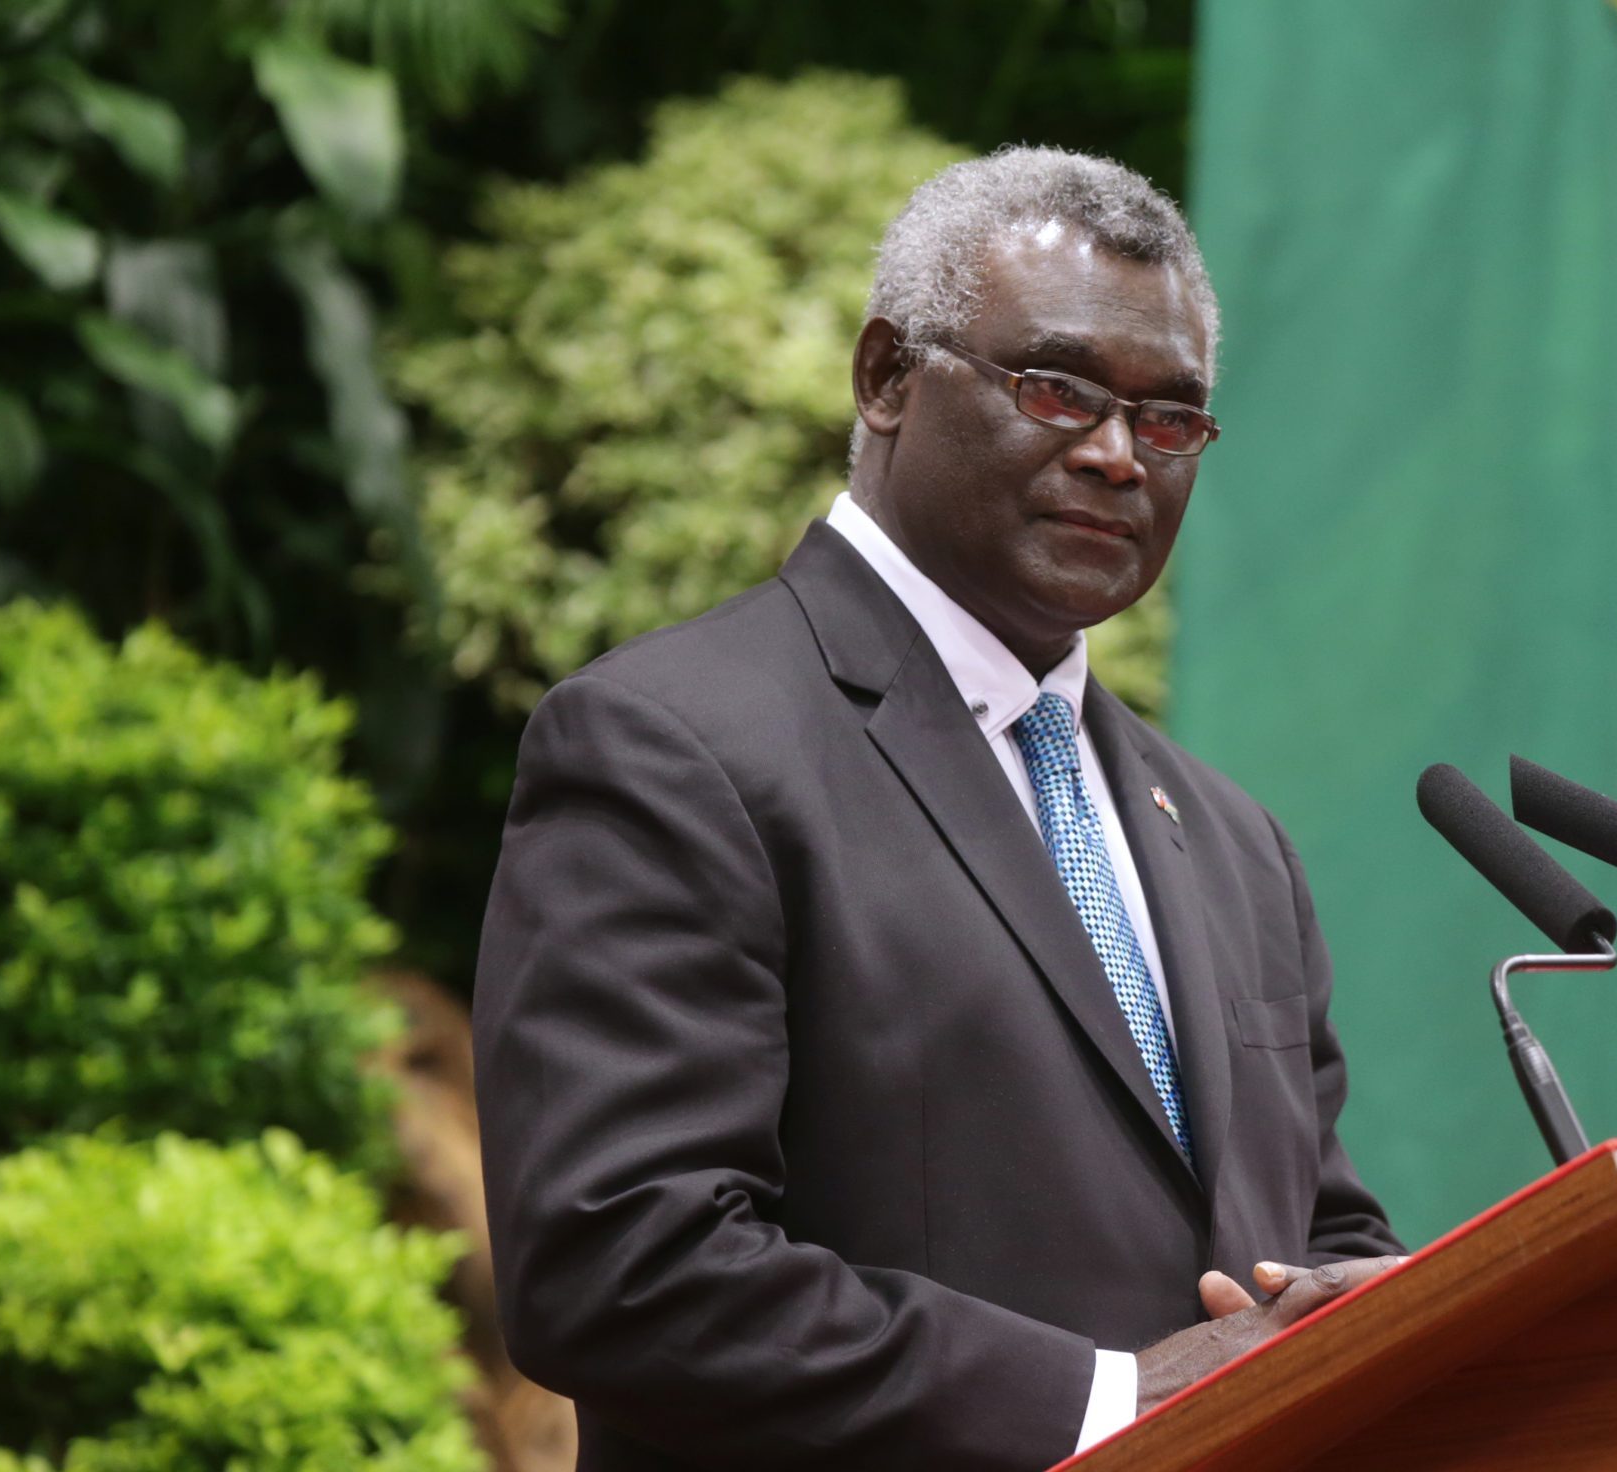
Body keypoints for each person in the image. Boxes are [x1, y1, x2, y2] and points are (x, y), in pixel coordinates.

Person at [472, 147, 1405, 1471]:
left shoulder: (1231, 842)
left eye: (1168, 419)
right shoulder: (674, 745)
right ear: (887, 377)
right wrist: (1103, 1404)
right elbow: (623, 1264)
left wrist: (1389, 1313)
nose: (1117, 457)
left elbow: (1313, 1241)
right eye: (1056, 388)